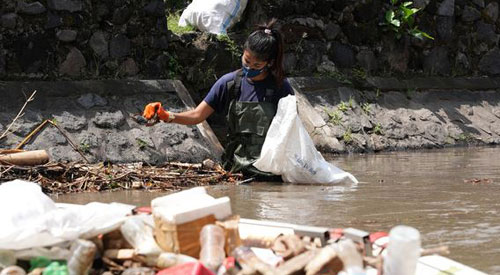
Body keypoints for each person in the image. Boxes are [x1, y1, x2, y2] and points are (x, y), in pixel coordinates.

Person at [143, 19, 293, 179]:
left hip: (271, 171)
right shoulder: (228, 83)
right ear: (243, 52)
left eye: (256, 66)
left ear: (269, 63)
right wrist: (167, 116)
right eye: (246, 61)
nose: (249, 68)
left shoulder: (280, 88)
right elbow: (196, 116)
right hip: (238, 171)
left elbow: (291, 130)